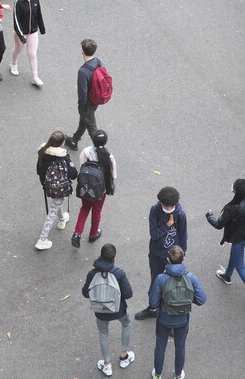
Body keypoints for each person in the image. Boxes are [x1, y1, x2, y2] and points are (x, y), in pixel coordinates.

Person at [206, 178, 245, 311]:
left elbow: (218, 224)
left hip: (237, 239)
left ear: (237, 191)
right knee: (234, 252)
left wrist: (209, 215)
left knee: (240, 267)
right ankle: (227, 275)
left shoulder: (232, 208)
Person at [149, 245, 206, 379]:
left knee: (160, 346)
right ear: (183, 259)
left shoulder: (161, 279)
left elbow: (153, 303)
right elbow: (202, 299)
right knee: (180, 346)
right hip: (182, 319)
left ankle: (157, 374)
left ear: (168, 259)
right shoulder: (190, 277)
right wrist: (187, 299)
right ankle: (178, 375)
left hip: (164, 319)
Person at [82, 244, 135, 377]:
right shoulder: (118, 273)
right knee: (126, 324)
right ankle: (124, 356)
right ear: (114, 258)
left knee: (103, 333)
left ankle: (107, 364)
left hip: (100, 312)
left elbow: (85, 293)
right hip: (118, 310)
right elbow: (128, 294)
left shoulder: (92, 273)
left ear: (100, 255)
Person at [136, 187, 188, 320]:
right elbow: (154, 235)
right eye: (166, 206)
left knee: (172, 287)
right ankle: (152, 308)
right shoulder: (155, 210)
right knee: (155, 282)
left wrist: (183, 254)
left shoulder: (181, 214)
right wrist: (168, 225)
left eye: (172, 206)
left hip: (173, 257)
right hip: (156, 255)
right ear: (161, 203)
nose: (169, 208)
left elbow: (183, 236)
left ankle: (170, 315)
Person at [71, 129, 116, 248]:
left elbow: (81, 166)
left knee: (84, 208)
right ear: (105, 141)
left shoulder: (86, 151)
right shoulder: (109, 157)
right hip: (100, 190)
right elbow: (113, 176)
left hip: (85, 187)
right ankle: (93, 234)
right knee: (97, 211)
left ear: (92, 140)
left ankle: (77, 233)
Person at [35, 131, 78, 250]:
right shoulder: (64, 156)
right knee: (53, 210)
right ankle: (42, 239)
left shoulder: (42, 152)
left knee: (57, 203)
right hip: (61, 188)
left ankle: (62, 220)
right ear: (62, 143)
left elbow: (39, 171)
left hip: (48, 186)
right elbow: (74, 174)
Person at [65, 39, 105, 151]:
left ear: (81, 51)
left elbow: (82, 95)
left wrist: (81, 107)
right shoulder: (99, 61)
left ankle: (100, 152)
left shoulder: (83, 71)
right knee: (84, 120)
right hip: (97, 99)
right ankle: (74, 140)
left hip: (87, 104)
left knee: (92, 127)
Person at [10, 0, 46, 87]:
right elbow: (16, 20)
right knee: (18, 49)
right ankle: (13, 64)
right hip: (21, 32)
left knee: (32, 54)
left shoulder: (36, 0)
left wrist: (42, 28)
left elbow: (39, 15)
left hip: (33, 32)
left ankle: (35, 77)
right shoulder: (18, 2)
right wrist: (21, 36)